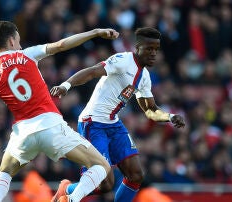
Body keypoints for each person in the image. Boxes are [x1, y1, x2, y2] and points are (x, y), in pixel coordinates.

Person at [0, 21, 119, 202]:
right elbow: (61, 45)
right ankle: (72, 199)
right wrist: (94, 32)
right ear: (11, 40)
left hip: (23, 134)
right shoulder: (27, 54)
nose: (19, 45)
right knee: (100, 166)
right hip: (50, 125)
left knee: (4, 173)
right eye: (17, 40)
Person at [50, 27, 185, 202]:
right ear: (138, 47)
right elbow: (92, 71)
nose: (153, 53)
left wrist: (169, 117)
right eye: (149, 48)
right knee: (105, 184)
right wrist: (66, 85)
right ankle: (66, 190)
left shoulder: (144, 77)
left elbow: (150, 110)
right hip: (93, 122)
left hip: (113, 124)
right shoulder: (122, 60)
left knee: (136, 175)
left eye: (156, 50)